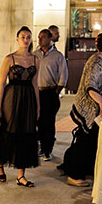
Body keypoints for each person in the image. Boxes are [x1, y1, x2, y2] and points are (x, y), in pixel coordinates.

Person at [62, 32, 102, 186]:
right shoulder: (96, 62)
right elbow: (90, 86)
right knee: (84, 142)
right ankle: (74, 175)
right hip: (91, 112)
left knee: (94, 143)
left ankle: (87, 171)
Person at [0, 26, 40, 187]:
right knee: (7, 132)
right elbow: (1, 84)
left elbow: (35, 84)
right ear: (17, 39)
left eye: (28, 37)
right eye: (23, 37)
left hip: (28, 100)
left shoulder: (35, 59)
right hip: (11, 98)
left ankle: (21, 176)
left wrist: (38, 107)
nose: (26, 39)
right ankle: (0, 166)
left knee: (26, 134)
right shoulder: (9, 58)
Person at [36, 28, 68, 161]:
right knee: (38, 121)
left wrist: (56, 92)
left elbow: (63, 76)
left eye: (43, 37)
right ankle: (40, 146)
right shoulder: (35, 54)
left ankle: (47, 149)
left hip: (50, 92)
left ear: (50, 39)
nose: (40, 40)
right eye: (39, 37)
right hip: (37, 92)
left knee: (48, 122)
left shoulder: (58, 56)